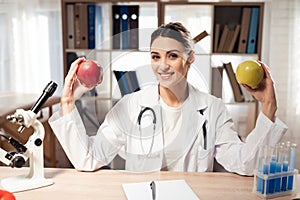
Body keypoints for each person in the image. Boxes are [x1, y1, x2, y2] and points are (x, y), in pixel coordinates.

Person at [49, 22, 287, 175]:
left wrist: (268, 106)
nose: (162, 66)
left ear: (190, 57)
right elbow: (88, 159)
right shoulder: (130, 106)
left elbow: (245, 163)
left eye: (172, 56)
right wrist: (68, 103)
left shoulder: (213, 109)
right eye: (155, 56)